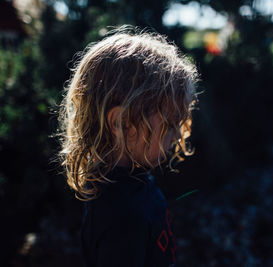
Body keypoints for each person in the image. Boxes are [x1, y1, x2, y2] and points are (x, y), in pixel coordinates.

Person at [58, 25, 199, 267]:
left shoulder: (136, 180)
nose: (177, 136)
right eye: (169, 125)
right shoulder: (120, 217)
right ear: (121, 123)